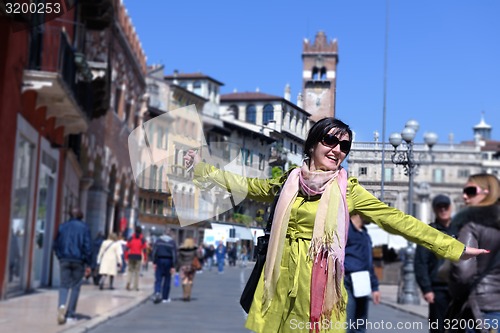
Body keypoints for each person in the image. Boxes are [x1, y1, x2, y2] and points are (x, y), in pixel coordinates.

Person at [184, 117, 488, 333]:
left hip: (318, 279)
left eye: (344, 146)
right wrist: (200, 168)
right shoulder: (289, 180)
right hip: (277, 276)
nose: (337, 149)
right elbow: (246, 185)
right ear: (313, 144)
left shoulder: (348, 190)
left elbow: (398, 220)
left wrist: (454, 248)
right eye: (330, 140)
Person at [448, 173, 500, 332]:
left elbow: (463, 272)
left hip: (482, 308)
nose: (464, 196)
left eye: (470, 191)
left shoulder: (471, 224)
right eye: (464, 191)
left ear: (487, 191)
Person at [414, 194, 457, 333]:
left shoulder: (460, 230)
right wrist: (426, 288)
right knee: (437, 329)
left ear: (451, 207)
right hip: (437, 289)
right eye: (440, 207)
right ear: (434, 209)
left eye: (446, 206)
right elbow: (421, 262)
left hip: (458, 289)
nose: (443, 210)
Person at [53, 208, 92, 325]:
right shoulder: (84, 228)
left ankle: (61, 305)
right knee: (75, 286)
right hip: (78, 260)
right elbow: (87, 246)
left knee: (64, 285)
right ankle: (70, 313)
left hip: (64, 259)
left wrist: (60, 256)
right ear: (81, 216)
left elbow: (56, 244)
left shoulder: (63, 226)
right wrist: (88, 262)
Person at [343, 213, 380, 333]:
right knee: (347, 325)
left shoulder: (364, 233)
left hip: (363, 282)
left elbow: (369, 263)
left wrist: (375, 287)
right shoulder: (345, 229)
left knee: (360, 325)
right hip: (347, 281)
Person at [152, 228, 177, 304]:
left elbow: (154, 252)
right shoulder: (172, 242)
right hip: (168, 261)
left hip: (159, 260)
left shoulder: (158, 241)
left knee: (158, 278)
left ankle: (157, 292)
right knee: (167, 279)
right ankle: (165, 297)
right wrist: (173, 265)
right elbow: (174, 255)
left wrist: (154, 261)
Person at [125, 226, 146, 291]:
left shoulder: (130, 238)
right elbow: (144, 250)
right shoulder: (142, 239)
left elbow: (126, 248)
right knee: (137, 272)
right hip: (138, 256)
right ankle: (135, 286)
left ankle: (128, 282)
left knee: (130, 271)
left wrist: (126, 257)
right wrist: (144, 259)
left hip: (131, 256)